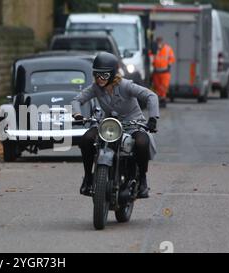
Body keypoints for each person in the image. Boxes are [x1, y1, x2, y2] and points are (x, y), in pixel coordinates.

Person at [71, 52, 159, 199]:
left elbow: (151, 96)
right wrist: (77, 115)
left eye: (104, 75)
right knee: (86, 139)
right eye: (97, 75)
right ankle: (88, 177)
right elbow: (76, 100)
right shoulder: (95, 88)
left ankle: (142, 179)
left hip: (132, 124)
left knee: (142, 142)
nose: (100, 79)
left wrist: (153, 118)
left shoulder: (126, 85)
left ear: (112, 74)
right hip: (108, 125)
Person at [150, 36, 175, 108]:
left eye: (160, 41)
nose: (159, 43)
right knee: (157, 87)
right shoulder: (154, 49)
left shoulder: (167, 48)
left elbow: (172, 58)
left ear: (162, 41)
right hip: (156, 72)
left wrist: (169, 64)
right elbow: (151, 58)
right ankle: (160, 100)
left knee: (164, 86)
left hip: (165, 72)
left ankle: (163, 99)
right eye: (158, 41)